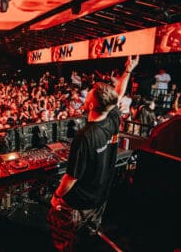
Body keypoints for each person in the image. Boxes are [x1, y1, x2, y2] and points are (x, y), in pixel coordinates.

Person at [47, 55, 139, 251]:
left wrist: (56, 196)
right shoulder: (112, 117)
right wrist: (128, 71)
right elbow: (119, 94)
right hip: (100, 196)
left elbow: (71, 177)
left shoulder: (85, 136)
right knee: (88, 237)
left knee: (64, 236)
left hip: (79, 202)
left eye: (88, 95)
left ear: (89, 105)